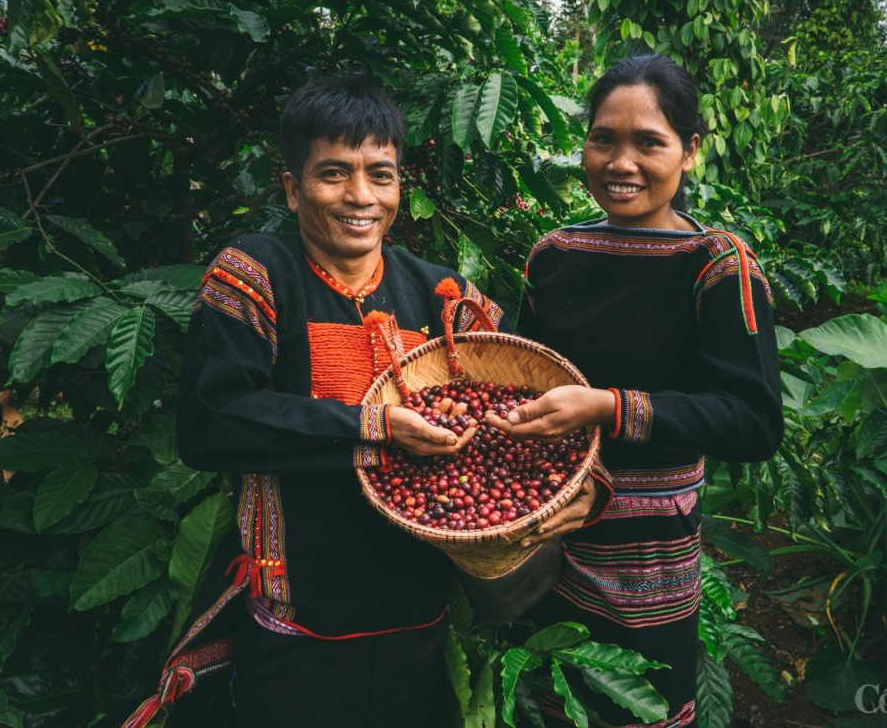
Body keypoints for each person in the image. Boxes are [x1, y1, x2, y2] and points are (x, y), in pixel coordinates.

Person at [126, 74, 512, 728]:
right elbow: (212, 421)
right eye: (334, 174)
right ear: (291, 187)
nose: (361, 196)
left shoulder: (443, 294)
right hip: (298, 623)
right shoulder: (253, 274)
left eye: (381, 176)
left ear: (400, 186)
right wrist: (375, 426)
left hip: (420, 620)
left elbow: (512, 404)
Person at [487, 55, 784, 727]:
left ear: (690, 151)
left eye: (649, 142)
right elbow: (518, 378)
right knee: (543, 698)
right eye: (604, 139)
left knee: (639, 704)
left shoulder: (717, 265)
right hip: (546, 529)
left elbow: (752, 421)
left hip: (646, 555)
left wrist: (608, 407)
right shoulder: (555, 254)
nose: (621, 162)